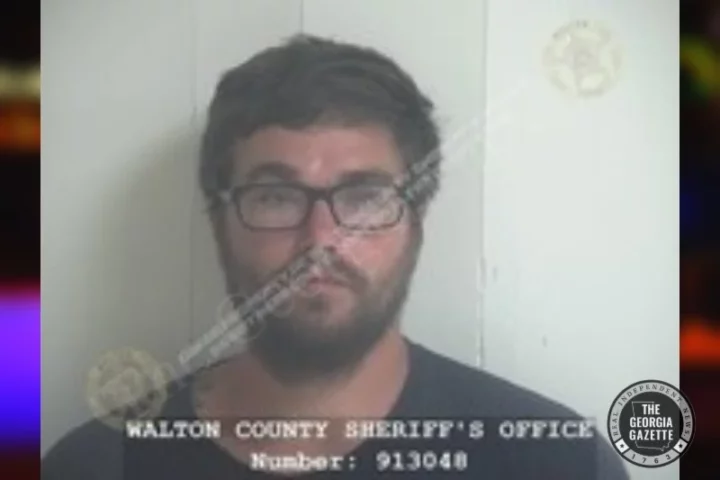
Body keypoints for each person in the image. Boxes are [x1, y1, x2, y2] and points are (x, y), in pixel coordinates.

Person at [42, 34, 629, 479]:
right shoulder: (98, 465)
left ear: (417, 220)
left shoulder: (551, 461)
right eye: (275, 196)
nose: (320, 240)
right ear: (219, 221)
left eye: (364, 198)